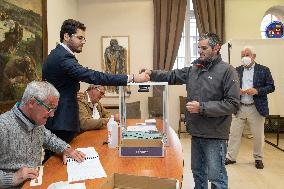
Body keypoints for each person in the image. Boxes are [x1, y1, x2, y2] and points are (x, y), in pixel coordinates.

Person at [42, 19, 149, 163]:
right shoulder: (63, 57)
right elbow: (92, 76)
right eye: (80, 37)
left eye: (83, 38)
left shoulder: (58, 55)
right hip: (60, 122)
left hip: (60, 119)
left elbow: (56, 86)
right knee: (56, 165)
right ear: (66, 36)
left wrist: (69, 93)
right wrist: (132, 78)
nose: (83, 41)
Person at [141, 33, 240, 189]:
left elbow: (233, 104)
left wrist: (202, 108)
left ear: (216, 48)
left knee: (217, 177)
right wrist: (151, 73)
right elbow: (172, 75)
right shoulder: (194, 68)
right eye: (199, 47)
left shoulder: (228, 71)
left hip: (214, 134)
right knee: (198, 173)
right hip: (196, 132)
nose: (200, 51)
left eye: (204, 48)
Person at [0, 81, 85, 189]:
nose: (52, 114)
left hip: (35, 183)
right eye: (49, 108)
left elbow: (49, 138)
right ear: (31, 103)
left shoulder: (36, 122)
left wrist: (66, 149)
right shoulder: (3, 126)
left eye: (54, 109)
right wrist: (13, 178)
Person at [225, 46, 275, 169]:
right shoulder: (236, 70)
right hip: (239, 107)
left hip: (256, 107)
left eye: (247, 55)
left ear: (254, 56)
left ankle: (258, 158)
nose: (244, 57)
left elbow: (271, 87)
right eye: (242, 55)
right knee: (234, 134)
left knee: (258, 135)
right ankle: (230, 157)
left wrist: (257, 90)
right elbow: (229, 87)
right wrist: (237, 91)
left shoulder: (263, 70)